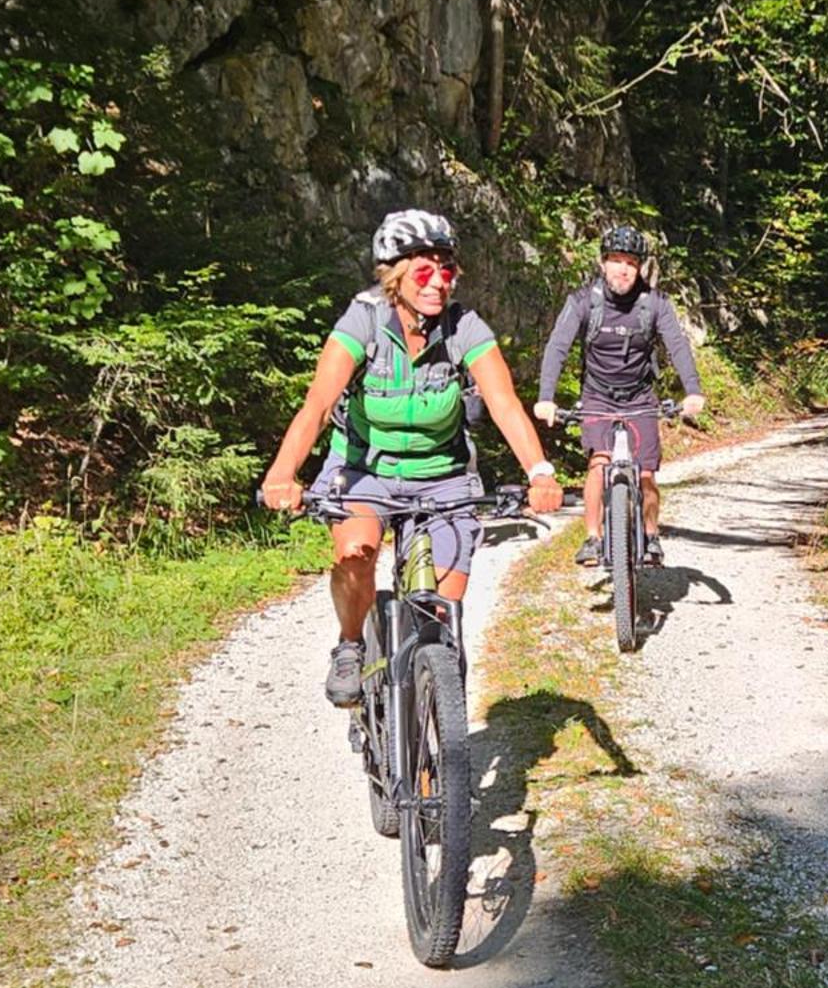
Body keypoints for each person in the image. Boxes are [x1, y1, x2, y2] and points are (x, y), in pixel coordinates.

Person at [261, 208, 563, 705]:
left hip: (442, 476)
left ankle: (436, 717)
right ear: (395, 277)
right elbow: (316, 406)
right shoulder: (364, 320)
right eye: (424, 270)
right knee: (356, 556)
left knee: (444, 611)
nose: (438, 281)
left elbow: (505, 404)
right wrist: (282, 474)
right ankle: (351, 643)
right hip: (363, 471)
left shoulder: (463, 326)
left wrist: (540, 471)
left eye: (447, 270)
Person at [533, 224, 704, 568]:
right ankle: (593, 538)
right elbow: (557, 346)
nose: (622, 269)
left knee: (645, 475)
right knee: (599, 464)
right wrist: (546, 396)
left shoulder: (655, 303)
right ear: (603, 263)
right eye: (615, 260)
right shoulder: (583, 301)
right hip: (597, 396)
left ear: (640, 267)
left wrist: (693, 391)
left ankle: (651, 536)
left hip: (640, 397)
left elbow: (678, 346)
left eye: (630, 262)